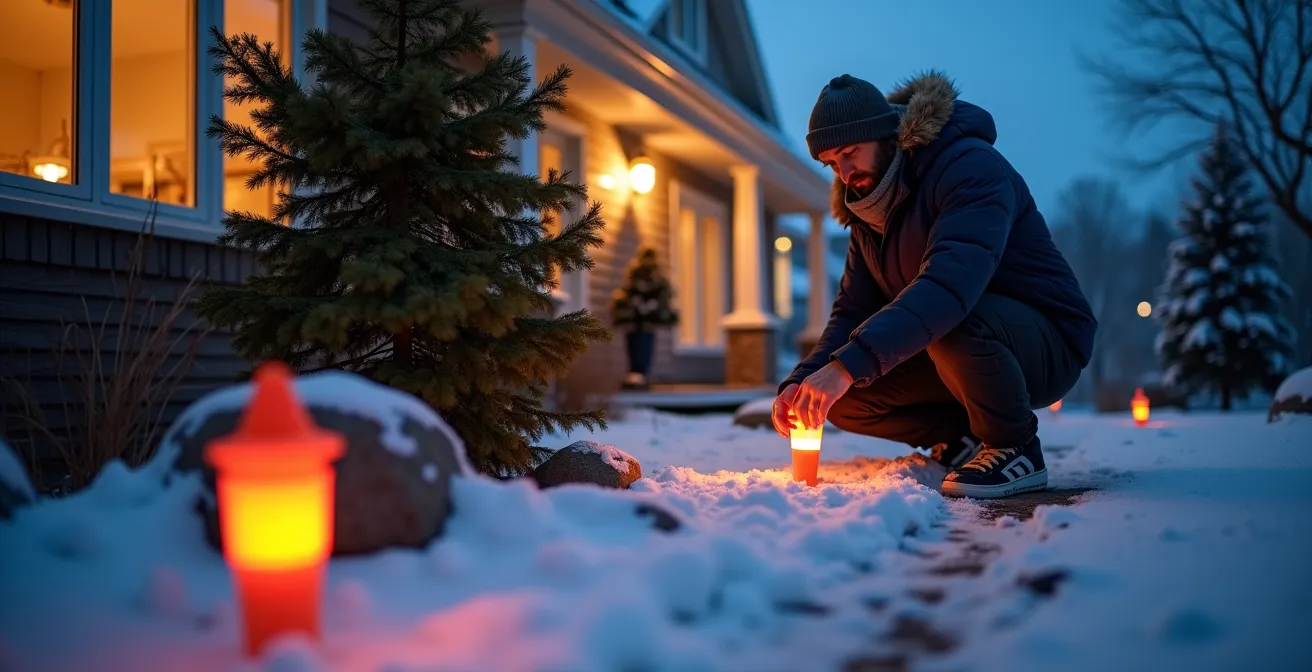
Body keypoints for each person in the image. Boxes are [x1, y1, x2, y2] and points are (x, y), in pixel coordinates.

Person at [772, 71, 1096, 499]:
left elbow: (948, 287)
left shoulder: (968, 167)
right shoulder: (868, 217)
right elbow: (851, 311)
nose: (845, 172)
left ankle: (1014, 448)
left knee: (941, 320)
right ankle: (962, 441)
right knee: (842, 398)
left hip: (1044, 342)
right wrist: (807, 377)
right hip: (953, 345)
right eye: (832, 162)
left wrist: (847, 366)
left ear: (887, 135)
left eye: (851, 152)